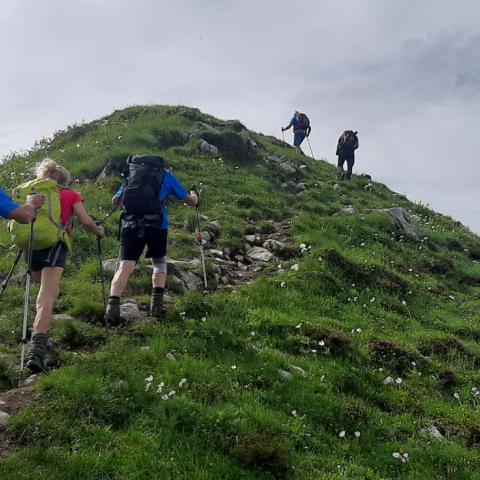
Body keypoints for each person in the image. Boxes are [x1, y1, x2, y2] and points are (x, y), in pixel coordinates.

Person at [25, 159, 104, 373]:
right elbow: (87, 222)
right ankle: (37, 350)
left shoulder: (35, 193)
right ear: (65, 181)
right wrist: (99, 232)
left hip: (31, 246)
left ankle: (40, 331)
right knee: (47, 297)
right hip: (56, 246)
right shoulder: (70, 194)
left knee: (44, 293)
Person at [105, 155, 198, 325]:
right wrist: (195, 195)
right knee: (159, 263)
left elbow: (116, 200)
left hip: (131, 223)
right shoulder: (166, 176)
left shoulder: (132, 175)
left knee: (125, 266)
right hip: (157, 224)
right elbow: (190, 201)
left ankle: (112, 309)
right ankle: (156, 307)